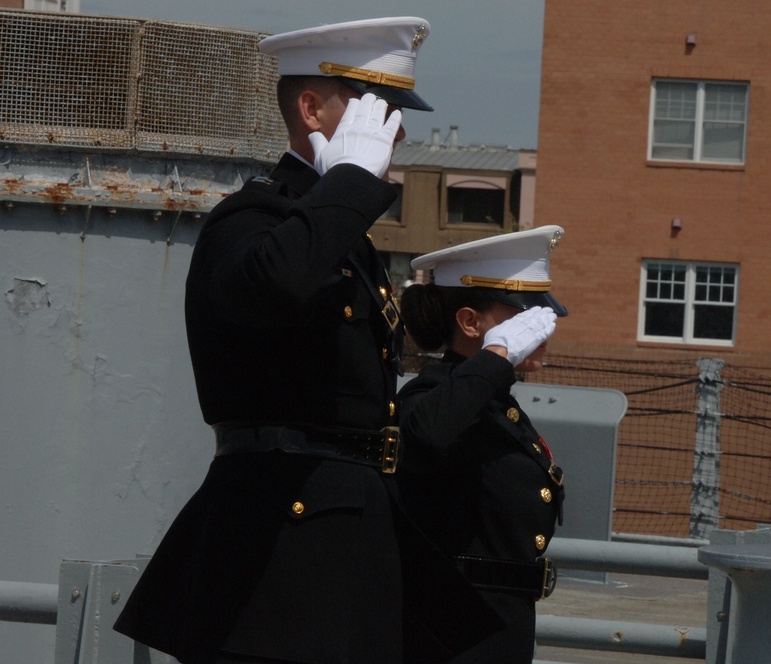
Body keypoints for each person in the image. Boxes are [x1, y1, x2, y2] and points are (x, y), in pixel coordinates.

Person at [113, 17, 500, 664]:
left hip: (351, 539)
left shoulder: (337, 236)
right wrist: (347, 181)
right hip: (278, 554)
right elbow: (275, 284)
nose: (396, 130)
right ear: (312, 107)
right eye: (376, 107)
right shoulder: (251, 219)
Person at [397, 225, 569, 663]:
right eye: (522, 315)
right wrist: (496, 357)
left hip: (498, 629)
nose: (538, 328)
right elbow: (426, 435)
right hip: (450, 636)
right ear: (470, 322)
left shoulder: (497, 406)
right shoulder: (432, 396)